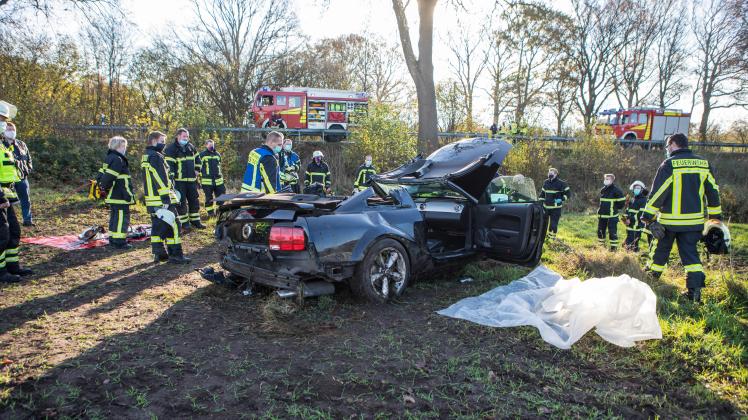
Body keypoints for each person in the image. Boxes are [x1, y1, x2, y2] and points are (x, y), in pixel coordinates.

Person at [641, 133, 721, 302]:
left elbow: (658, 192)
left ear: (674, 144)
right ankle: (694, 293)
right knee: (691, 256)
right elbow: (713, 193)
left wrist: (648, 217)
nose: (667, 149)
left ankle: (649, 284)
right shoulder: (703, 164)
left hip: (669, 222)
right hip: (694, 223)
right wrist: (714, 220)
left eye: (667, 146)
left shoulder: (669, 164)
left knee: (659, 253)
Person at [141, 131, 190, 264]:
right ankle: (176, 255)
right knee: (175, 225)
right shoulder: (156, 157)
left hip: (152, 199)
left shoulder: (146, 156)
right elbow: (160, 178)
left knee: (158, 226)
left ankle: (159, 253)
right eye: (162, 141)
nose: (164, 144)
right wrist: (166, 197)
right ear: (154, 141)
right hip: (161, 198)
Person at [0, 120, 32, 277]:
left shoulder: (5, 145)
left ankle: (12, 266)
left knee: (13, 231)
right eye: (2, 121)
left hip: (7, 196)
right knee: (2, 234)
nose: (5, 126)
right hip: (1, 198)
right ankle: (1, 271)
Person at [98, 136, 135, 250]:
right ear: (118, 146)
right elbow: (109, 177)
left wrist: (103, 188)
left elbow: (101, 175)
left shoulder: (109, 157)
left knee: (114, 217)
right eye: (123, 146)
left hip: (114, 195)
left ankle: (113, 239)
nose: (125, 149)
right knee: (122, 218)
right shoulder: (118, 159)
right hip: (120, 194)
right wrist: (105, 187)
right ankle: (119, 242)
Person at [164, 128, 205, 230]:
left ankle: (195, 221)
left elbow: (198, 159)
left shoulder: (191, 147)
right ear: (178, 136)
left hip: (191, 181)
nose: (186, 138)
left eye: (187, 136)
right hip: (179, 181)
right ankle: (184, 223)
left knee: (194, 201)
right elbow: (169, 166)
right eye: (184, 136)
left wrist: (197, 169)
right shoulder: (171, 149)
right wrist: (172, 179)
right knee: (181, 202)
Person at [3, 122, 33, 227]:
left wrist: (27, 170)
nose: (11, 132)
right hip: (7, 180)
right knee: (7, 202)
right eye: (8, 129)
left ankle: (27, 220)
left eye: (13, 130)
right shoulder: (2, 145)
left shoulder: (21, 144)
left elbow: (28, 159)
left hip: (21, 178)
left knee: (25, 200)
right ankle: (7, 222)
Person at [539, 167, 570, 240]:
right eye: (549, 173)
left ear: (556, 174)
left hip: (555, 208)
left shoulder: (561, 183)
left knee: (553, 224)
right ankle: (543, 238)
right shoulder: (546, 182)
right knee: (543, 224)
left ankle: (552, 238)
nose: (549, 174)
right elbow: (542, 194)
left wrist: (561, 199)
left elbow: (568, 194)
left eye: (551, 173)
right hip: (546, 207)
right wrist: (540, 203)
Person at [597, 173, 625, 251]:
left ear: (612, 180)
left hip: (612, 217)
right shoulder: (603, 190)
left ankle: (613, 249)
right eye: (605, 179)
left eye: (608, 179)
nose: (606, 180)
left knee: (612, 233)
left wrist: (614, 209)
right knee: (600, 232)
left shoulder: (617, 190)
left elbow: (621, 203)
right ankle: (601, 248)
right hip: (602, 216)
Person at [198, 139, 225, 217]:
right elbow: (198, 168)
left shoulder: (217, 154)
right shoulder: (202, 155)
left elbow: (219, 166)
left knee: (221, 197)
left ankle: (219, 212)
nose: (211, 146)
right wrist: (199, 180)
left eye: (212, 145)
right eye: (209, 145)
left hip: (219, 181)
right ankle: (210, 213)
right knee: (209, 198)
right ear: (206, 145)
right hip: (207, 182)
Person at [623, 180, 648, 252]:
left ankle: (630, 258)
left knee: (632, 242)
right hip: (630, 226)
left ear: (642, 190)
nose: (636, 189)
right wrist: (625, 219)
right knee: (632, 242)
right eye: (635, 188)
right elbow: (628, 211)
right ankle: (633, 257)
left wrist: (630, 219)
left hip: (637, 226)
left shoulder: (644, 200)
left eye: (638, 188)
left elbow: (641, 213)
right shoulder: (633, 199)